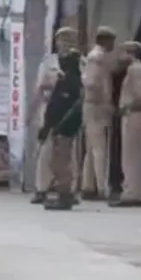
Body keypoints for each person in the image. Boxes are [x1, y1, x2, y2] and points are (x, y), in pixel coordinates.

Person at [38, 39, 83, 211]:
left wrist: (51, 126)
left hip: (63, 128)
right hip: (60, 127)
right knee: (58, 162)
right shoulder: (69, 79)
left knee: (60, 163)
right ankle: (65, 194)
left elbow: (59, 107)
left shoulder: (71, 81)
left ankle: (64, 196)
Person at [29, 28, 71, 204]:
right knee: (45, 150)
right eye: (62, 39)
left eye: (69, 40)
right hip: (49, 108)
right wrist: (31, 112)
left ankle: (67, 190)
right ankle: (41, 189)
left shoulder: (78, 61)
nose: (65, 43)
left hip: (69, 111)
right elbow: (40, 87)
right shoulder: (48, 62)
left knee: (68, 153)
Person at [109, 41, 141, 208]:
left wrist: (127, 106)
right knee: (132, 156)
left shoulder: (136, 70)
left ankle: (132, 193)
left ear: (131, 53)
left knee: (131, 156)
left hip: (134, 115)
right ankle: (132, 191)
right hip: (132, 115)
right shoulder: (135, 70)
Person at [80, 27, 118, 201]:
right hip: (96, 107)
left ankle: (88, 185)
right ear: (105, 40)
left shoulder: (93, 57)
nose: (113, 45)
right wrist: (104, 103)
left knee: (90, 148)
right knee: (100, 149)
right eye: (112, 41)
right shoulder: (98, 58)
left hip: (91, 106)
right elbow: (93, 83)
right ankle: (102, 188)